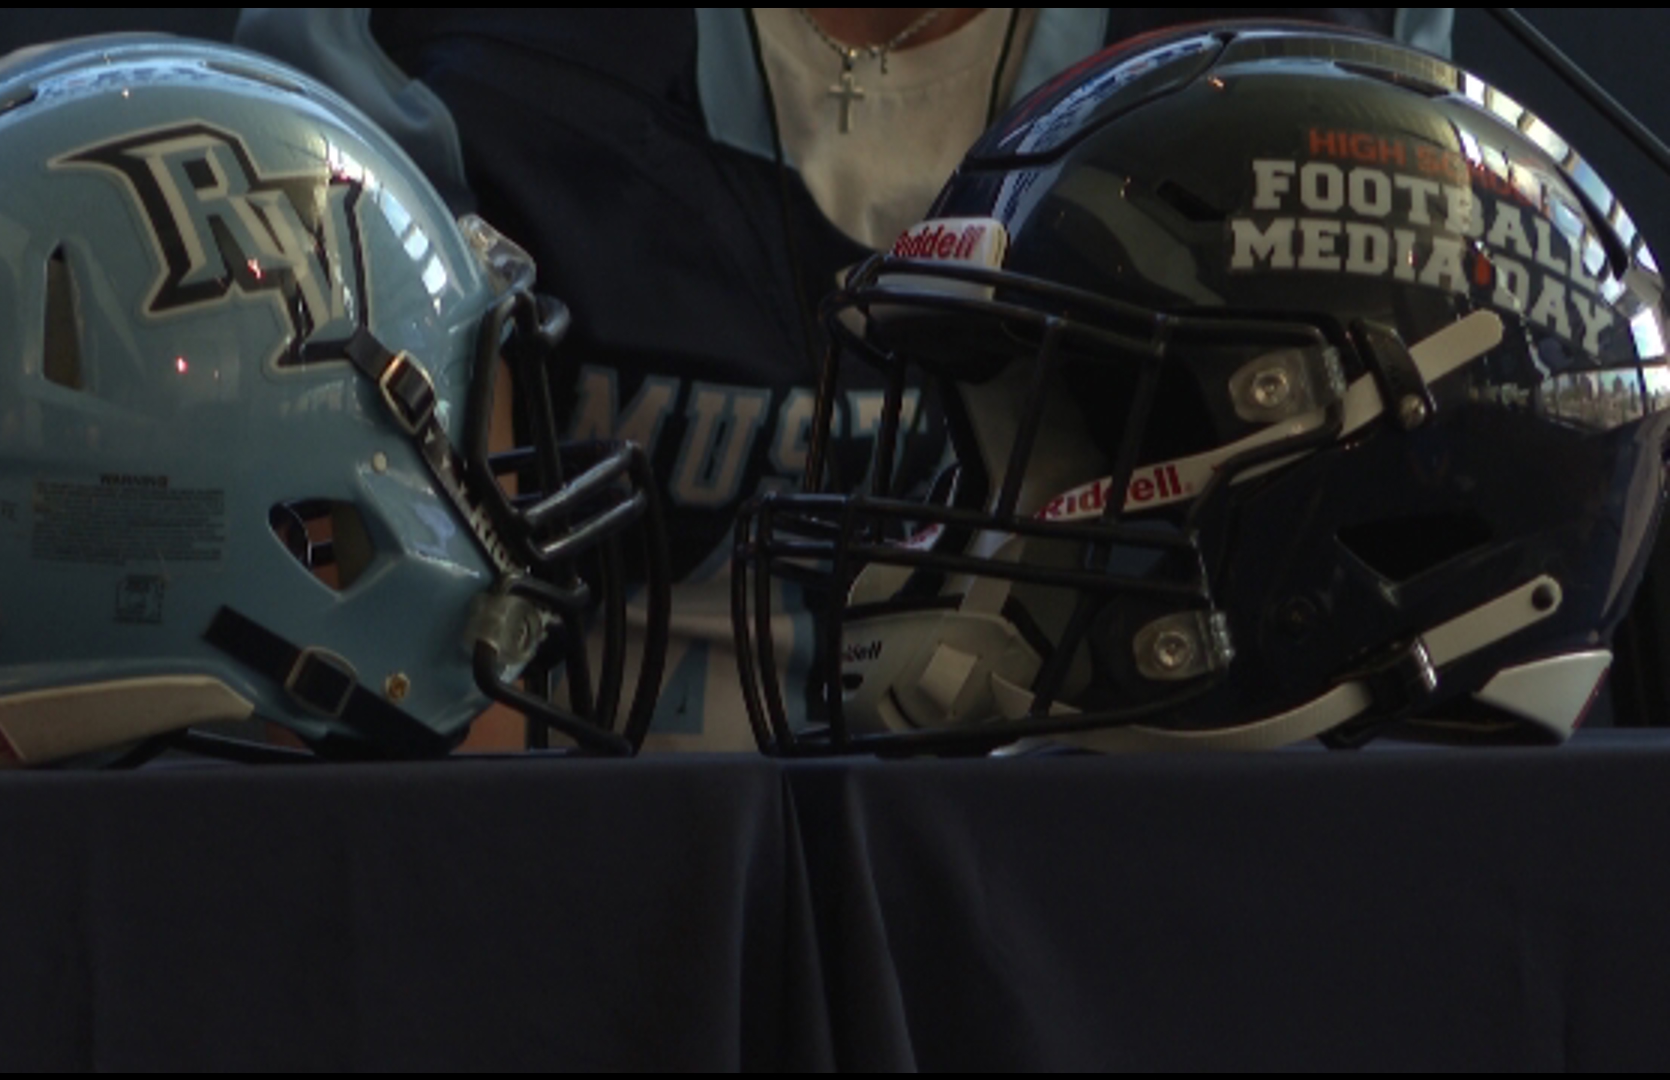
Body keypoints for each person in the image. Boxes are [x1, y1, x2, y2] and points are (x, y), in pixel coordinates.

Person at [234, 8, 1455, 752]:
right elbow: (421, 678)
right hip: (586, 862)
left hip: (1084, 883)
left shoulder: (1314, 57)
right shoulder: (454, 49)